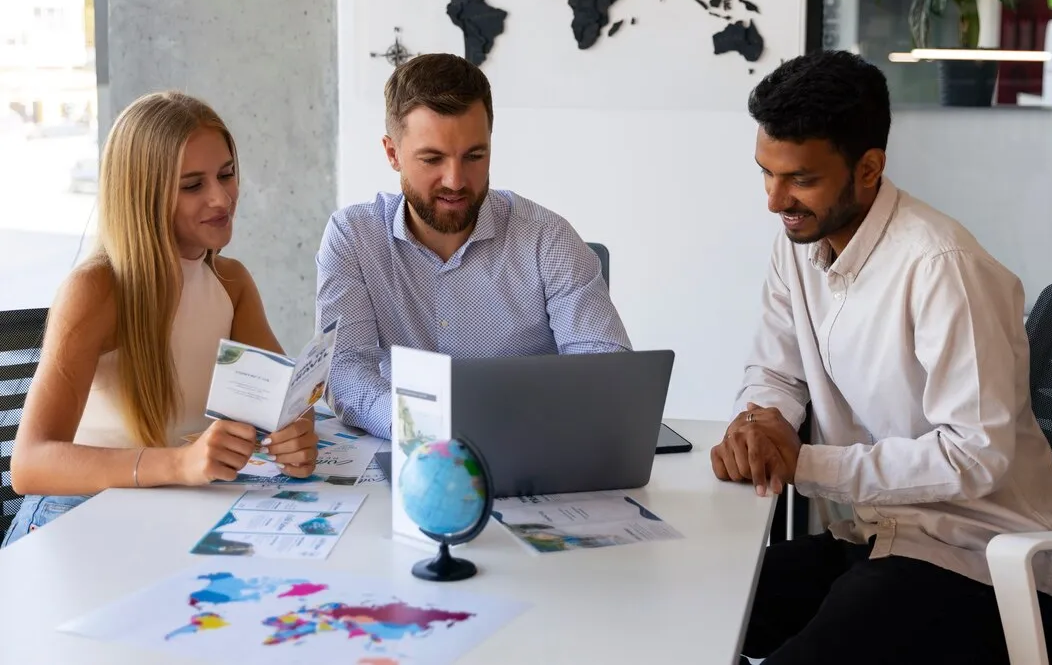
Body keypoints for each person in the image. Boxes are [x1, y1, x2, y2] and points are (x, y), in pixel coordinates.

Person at [711, 50, 1052, 664]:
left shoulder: (942, 268)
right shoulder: (799, 242)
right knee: (697, 610)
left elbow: (974, 454)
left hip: (975, 561)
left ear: (869, 169)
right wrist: (755, 426)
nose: (774, 200)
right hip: (869, 538)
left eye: (800, 179)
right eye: (766, 172)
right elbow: (775, 369)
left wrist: (806, 464)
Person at [3, 92, 319, 548]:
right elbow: (29, 465)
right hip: (74, 518)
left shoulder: (231, 283)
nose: (221, 197)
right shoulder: (97, 290)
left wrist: (295, 434)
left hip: (175, 510)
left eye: (226, 174)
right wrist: (181, 463)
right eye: (193, 185)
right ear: (143, 194)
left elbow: (284, 408)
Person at [316, 53, 630, 438]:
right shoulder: (353, 237)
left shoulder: (548, 238)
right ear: (392, 153)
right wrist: (427, 427)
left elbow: (605, 373)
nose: (455, 180)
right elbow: (346, 370)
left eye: (474, 156)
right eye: (432, 159)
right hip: (410, 448)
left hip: (531, 450)